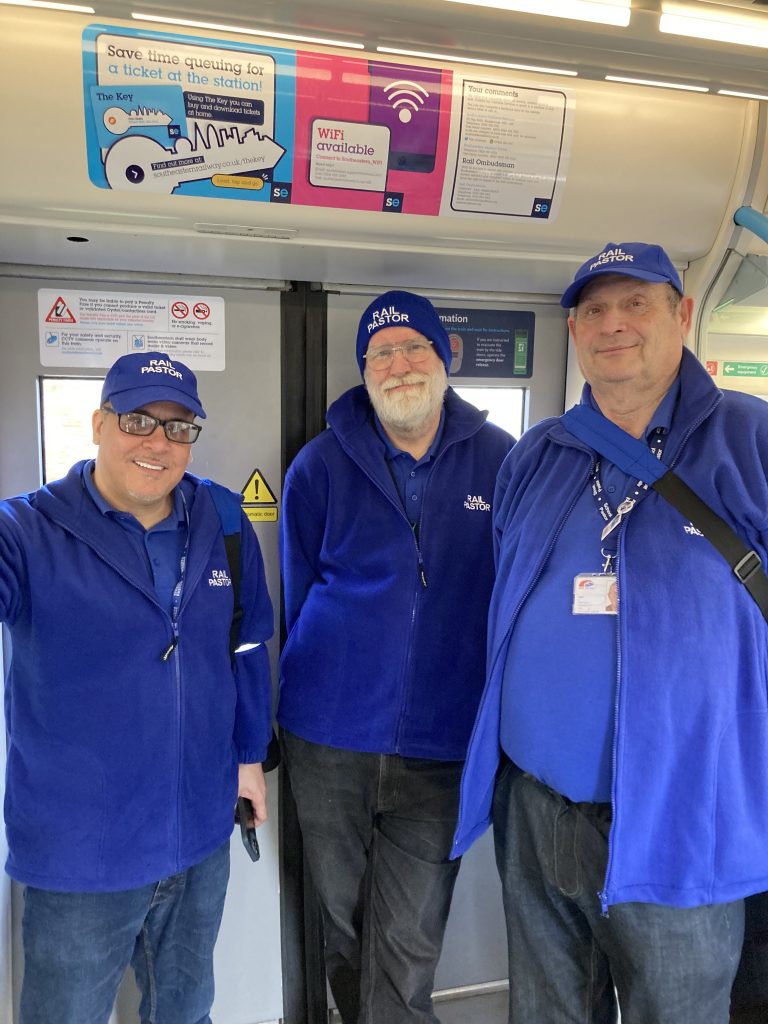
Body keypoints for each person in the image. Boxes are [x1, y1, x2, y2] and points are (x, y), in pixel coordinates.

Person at [453, 241, 768, 1023]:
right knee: (550, 1010)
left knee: (678, 1010)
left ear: (682, 315)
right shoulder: (538, 455)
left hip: (685, 814)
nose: (613, 323)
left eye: (636, 304)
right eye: (594, 308)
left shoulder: (749, 441)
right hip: (538, 805)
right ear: (573, 329)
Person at [1, 351, 274, 1024]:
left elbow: (245, 645)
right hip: (79, 855)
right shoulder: (26, 529)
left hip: (197, 835)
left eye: (179, 428)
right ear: (98, 423)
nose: (158, 442)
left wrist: (247, 759)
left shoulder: (226, 521)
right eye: (138, 420)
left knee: (185, 1011)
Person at [279, 290, 514, 1024]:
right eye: (381, 353)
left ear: (444, 359)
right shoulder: (318, 465)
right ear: (364, 370)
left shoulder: (502, 459)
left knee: (409, 936)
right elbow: (299, 588)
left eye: (415, 348)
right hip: (326, 736)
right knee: (346, 927)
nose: (399, 364)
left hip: (442, 742)